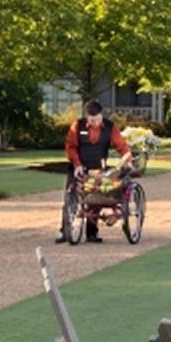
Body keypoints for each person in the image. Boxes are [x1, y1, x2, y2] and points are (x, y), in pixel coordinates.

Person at [57, 101, 132, 245]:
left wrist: (126, 156)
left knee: (95, 199)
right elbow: (70, 147)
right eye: (92, 120)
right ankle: (64, 231)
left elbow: (121, 145)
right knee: (70, 198)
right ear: (87, 117)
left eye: (97, 119)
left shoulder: (110, 127)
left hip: (98, 169)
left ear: (101, 115)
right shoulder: (77, 126)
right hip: (78, 167)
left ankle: (92, 233)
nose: (95, 123)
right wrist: (77, 164)